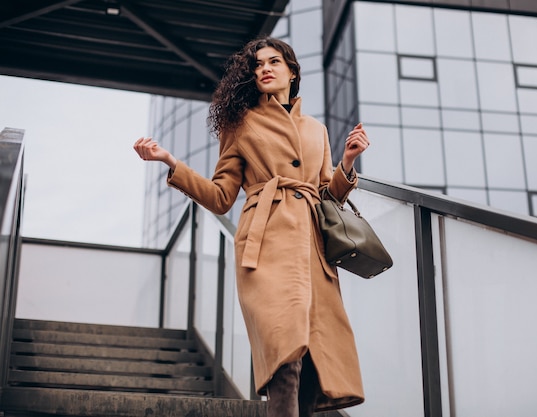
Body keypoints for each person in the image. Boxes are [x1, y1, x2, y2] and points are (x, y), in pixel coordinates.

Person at [133, 37, 369, 417]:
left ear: (292, 72)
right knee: (283, 351)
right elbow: (220, 196)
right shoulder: (239, 124)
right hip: (265, 248)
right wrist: (170, 162)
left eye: (274, 62)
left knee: (313, 359)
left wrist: (348, 163)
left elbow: (328, 198)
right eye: (257, 65)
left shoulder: (316, 130)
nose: (264, 69)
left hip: (312, 251)